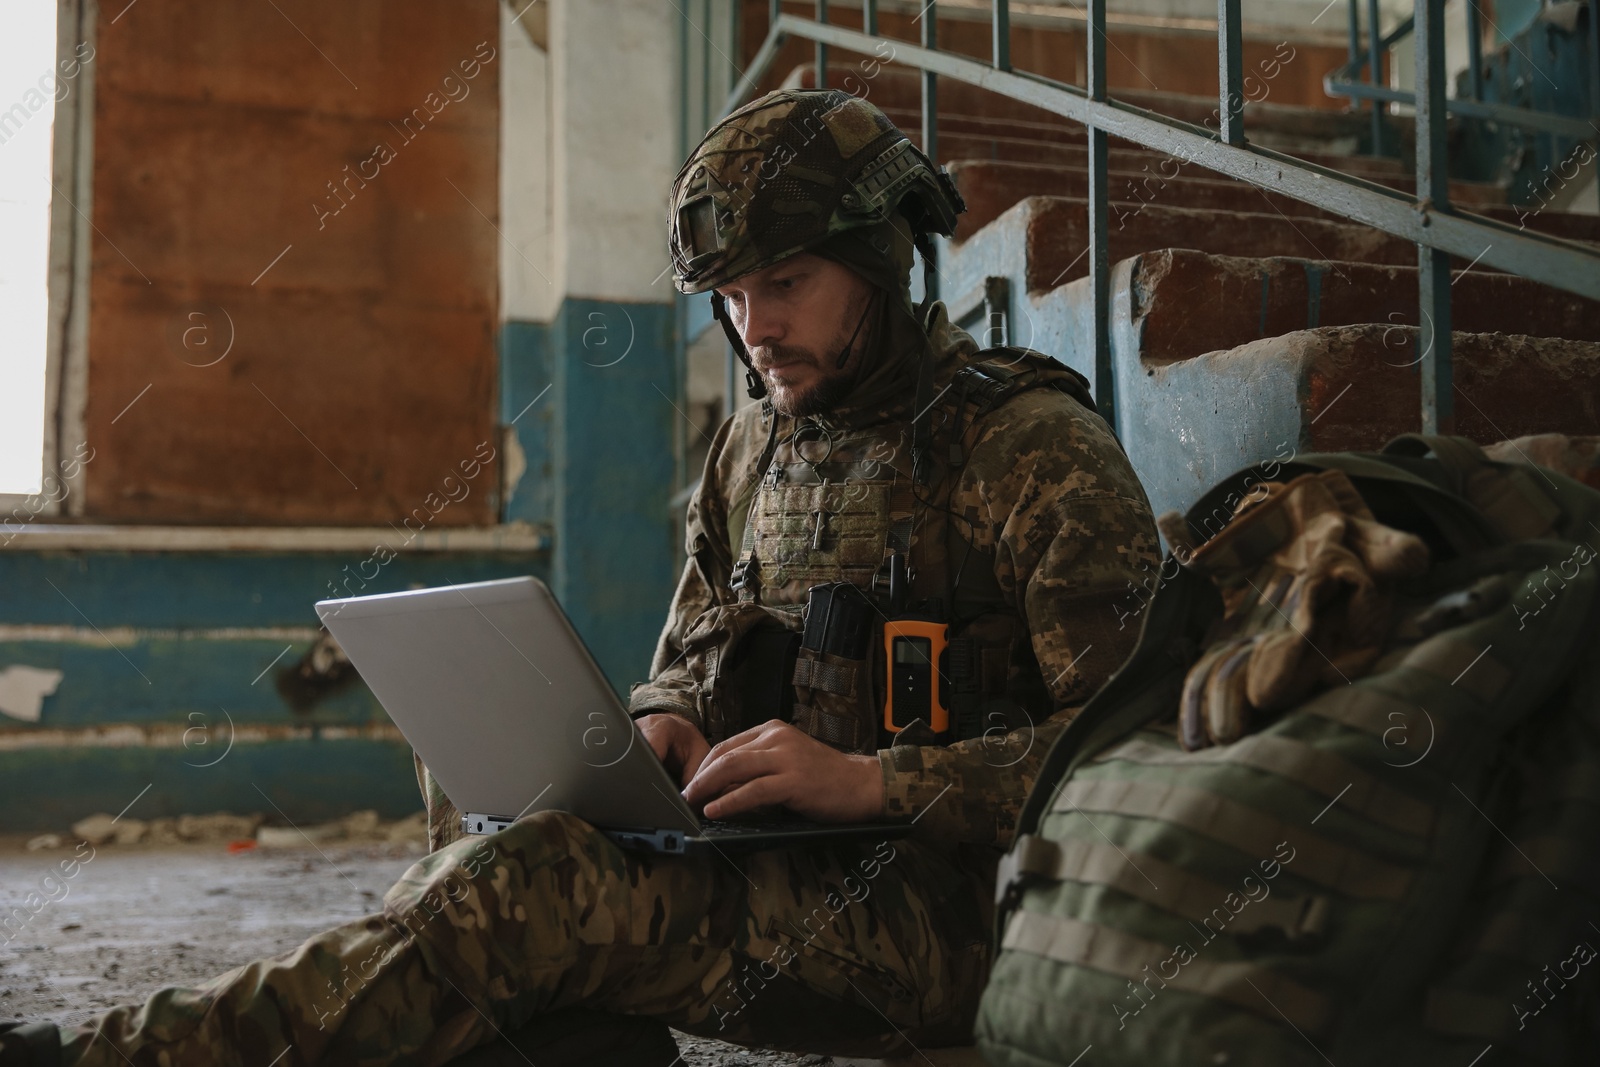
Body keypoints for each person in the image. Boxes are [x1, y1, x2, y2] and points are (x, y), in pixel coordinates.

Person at [1, 88, 1158, 1067]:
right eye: (732, 296)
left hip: (952, 909)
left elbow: (1139, 760)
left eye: (788, 282)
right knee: (492, 797)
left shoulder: (1025, 444)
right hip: (780, 854)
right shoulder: (753, 445)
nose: (754, 326)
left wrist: (876, 781)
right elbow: (687, 662)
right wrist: (659, 722)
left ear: (879, 261)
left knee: (539, 884)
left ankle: (124, 1052)